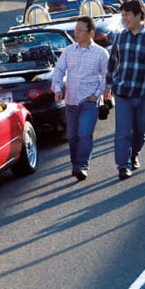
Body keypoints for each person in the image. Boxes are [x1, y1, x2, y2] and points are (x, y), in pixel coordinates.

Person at [107, 0, 145, 180]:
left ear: (140, 15)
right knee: (123, 131)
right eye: (123, 15)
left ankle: (134, 154)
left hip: (144, 93)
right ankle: (123, 166)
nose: (125, 19)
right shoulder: (121, 37)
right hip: (123, 92)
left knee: (141, 130)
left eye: (128, 15)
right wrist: (108, 85)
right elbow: (113, 62)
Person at [52, 15, 110, 181]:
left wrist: (97, 94)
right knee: (72, 136)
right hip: (71, 102)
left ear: (91, 33)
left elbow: (107, 76)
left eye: (80, 30)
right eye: (75, 30)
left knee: (85, 134)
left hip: (89, 102)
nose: (76, 33)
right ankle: (75, 163)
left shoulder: (101, 53)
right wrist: (57, 89)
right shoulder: (69, 51)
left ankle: (82, 166)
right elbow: (59, 71)